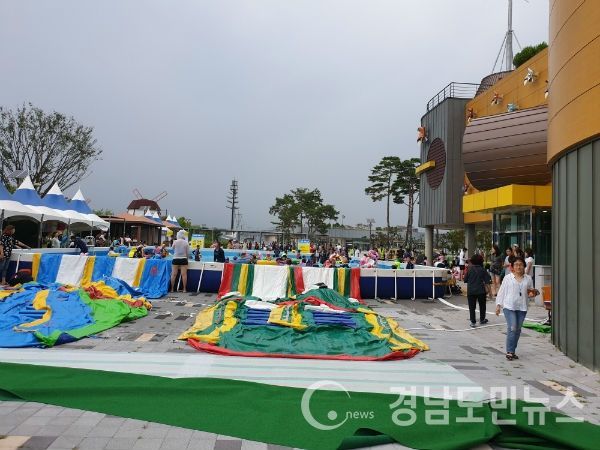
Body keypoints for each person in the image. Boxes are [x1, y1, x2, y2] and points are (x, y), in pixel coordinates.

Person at [495, 256, 539, 360]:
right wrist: (498, 305)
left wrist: (533, 293)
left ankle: (512, 350)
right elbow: (501, 292)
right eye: (516, 265)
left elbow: (530, 292)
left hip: (522, 307)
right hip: (509, 306)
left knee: (518, 330)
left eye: (520, 265)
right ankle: (510, 351)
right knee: (513, 327)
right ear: (512, 266)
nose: (518, 267)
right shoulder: (508, 278)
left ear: (524, 266)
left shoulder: (528, 278)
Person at [464, 254, 492, 328]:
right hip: (481, 291)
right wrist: (490, 292)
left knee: (471, 307)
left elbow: (465, 280)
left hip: (471, 291)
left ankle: (473, 321)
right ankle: (482, 319)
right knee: (482, 306)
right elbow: (487, 282)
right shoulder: (483, 270)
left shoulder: (469, 269)